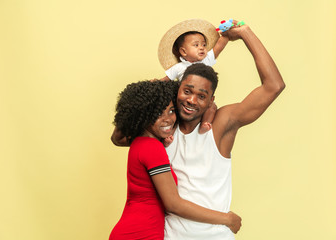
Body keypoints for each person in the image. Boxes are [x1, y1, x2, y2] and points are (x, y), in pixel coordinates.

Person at [163, 20, 285, 239]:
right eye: (187, 91)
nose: (192, 100)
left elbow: (273, 86)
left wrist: (246, 33)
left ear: (211, 101)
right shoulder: (163, 127)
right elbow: (120, 136)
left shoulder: (220, 124)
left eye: (201, 96)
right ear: (176, 89)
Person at [109, 80, 242, 240]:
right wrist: (227, 219)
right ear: (142, 114)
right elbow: (173, 204)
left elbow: (118, 136)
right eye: (158, 113)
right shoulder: (153, 148)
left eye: (171, 111)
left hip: (135, 230)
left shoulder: (139, 142)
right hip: (141, 233)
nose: (167, 119)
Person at [158, 19, 231, 134]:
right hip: (184, 101)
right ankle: (170, 134)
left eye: (203, 45)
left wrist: (226, 34)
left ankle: (205, 124)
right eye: (196, 45)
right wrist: (154, 82)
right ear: (183, 51)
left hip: (201, 99)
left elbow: (219, 46)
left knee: (212, 107)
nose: (202, 48)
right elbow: (165, 80)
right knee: (173, 111)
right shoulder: (179, 67)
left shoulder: (206, 61)